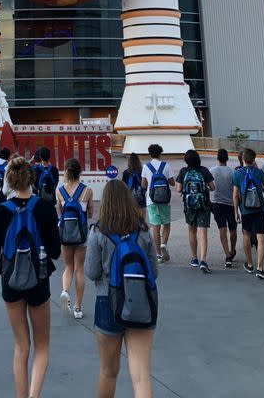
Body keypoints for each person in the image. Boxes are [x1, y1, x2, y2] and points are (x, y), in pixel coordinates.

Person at [0, 156, 61, 398]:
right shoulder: (44, 208)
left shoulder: (2, 211)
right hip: (39, 280)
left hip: (10, 280)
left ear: (10, 180)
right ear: (32, 178)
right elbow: (56, 251)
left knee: (21, 346)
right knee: (42, 346)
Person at [86, 179, 158, 398]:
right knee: (141, 375)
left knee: (108, 372)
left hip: (107, 302)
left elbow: (91, 272)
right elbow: (153, 272)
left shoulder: (98, 232)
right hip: (141, 303)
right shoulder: (144, 231)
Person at [57, 157, 94, 319]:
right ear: (80, 172)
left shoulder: (60, 191)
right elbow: (91, 213)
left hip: (65, 232)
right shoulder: (87, 191)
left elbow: (59, 213)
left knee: (68, 266)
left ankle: (65, 291)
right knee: (79, 268)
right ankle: (78, 308)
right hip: (81, 233)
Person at [175, 150, 215, 273]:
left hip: (189, 206)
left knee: (192, 230)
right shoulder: (203, 171)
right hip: (203, 205)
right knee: (202, 232)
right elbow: (213, 187)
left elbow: (178, 189)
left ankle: (194, 258)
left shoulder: (183, 171)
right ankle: (203, 260)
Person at [232, 147, 264, 280]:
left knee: (246, 234)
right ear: (254, 160)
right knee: (261, 238)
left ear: (242, 159)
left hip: (245, 209)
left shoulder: (237, 174)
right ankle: (260, 268)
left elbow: (235, 195)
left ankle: (250, 263)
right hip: (260, 209)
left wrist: (236, 211)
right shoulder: (259, 173)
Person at [141, 144, 175, 263]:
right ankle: (164, 244)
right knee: (166, 223)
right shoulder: (166, 166)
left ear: (150, 154)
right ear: (160, 153)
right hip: (165, 199)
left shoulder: (146, 167)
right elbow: (172, 183)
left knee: (155, 226)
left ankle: (158, 254)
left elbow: (143, 185)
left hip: (151, 200)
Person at [209, 149, 237, 268]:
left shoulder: (212, 171)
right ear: (227, 158)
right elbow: (236, 190)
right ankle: (232, 249)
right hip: (230, 204)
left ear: (217, 158)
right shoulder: (232, 172)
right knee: (233, 229)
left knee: (222, 228)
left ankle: (227, 256)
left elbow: (209, 187)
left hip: (217, 204)